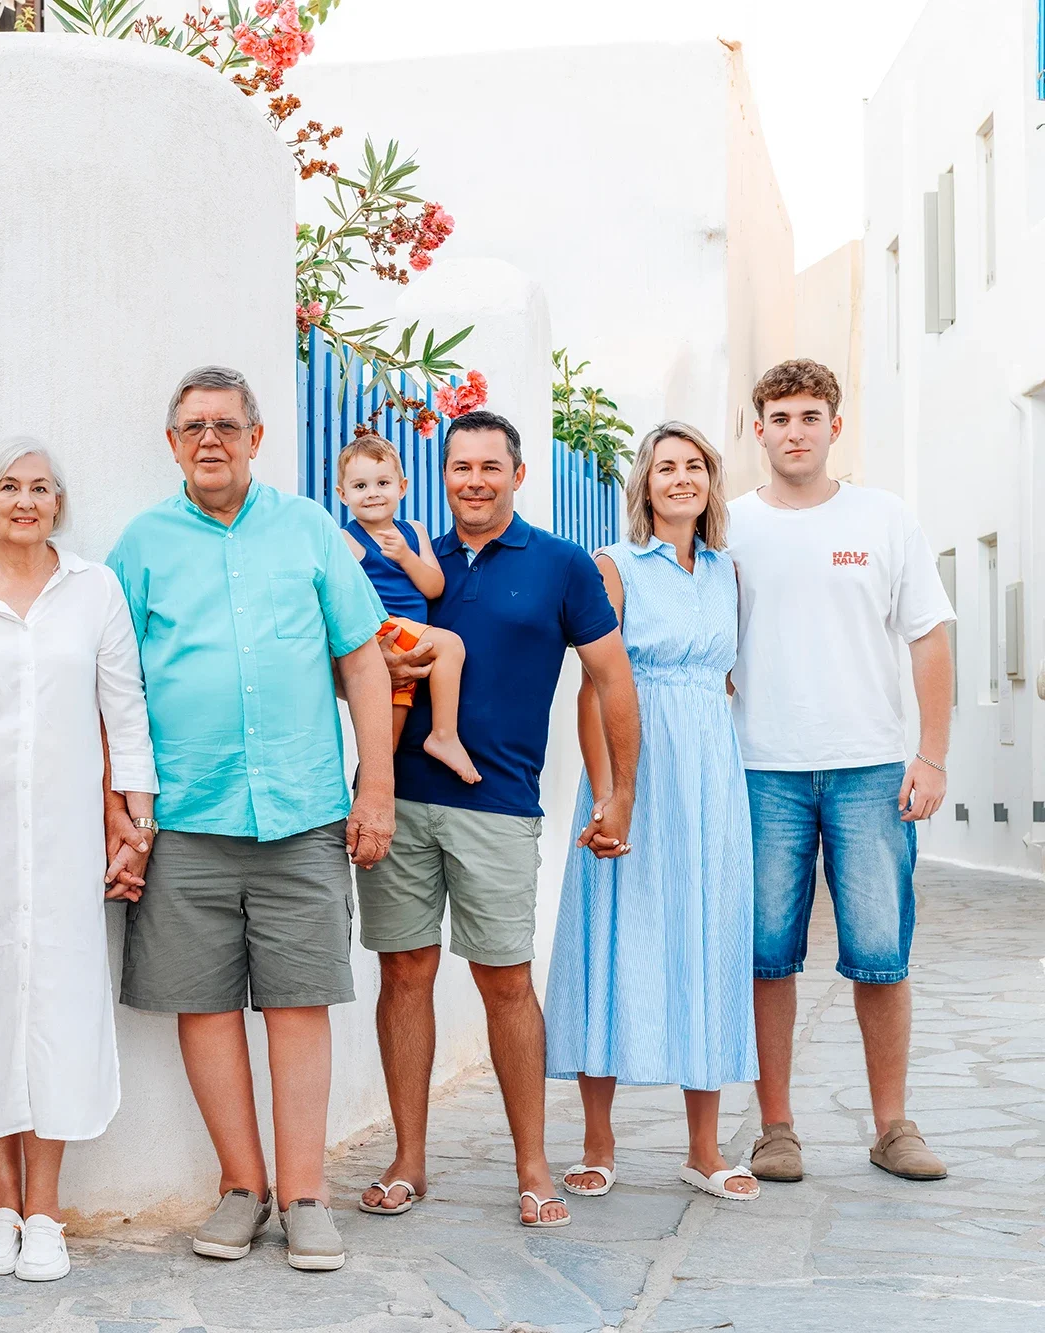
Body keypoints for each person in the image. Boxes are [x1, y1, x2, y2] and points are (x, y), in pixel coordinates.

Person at [107, 365, 398, 1273]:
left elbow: (363, 662)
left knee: (298, 1001)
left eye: (227, 425)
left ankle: (306, 1194)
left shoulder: (310, 530)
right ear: (172, 443)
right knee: (202, 1005)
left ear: (256, 438)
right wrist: (119, 808)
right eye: (193, 426)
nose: (210, 440)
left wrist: (376, 787)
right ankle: (244, 1186)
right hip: (186, 816)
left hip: (303, 810)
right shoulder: (141, 545)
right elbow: (113, 684)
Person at [363, 408, 640, 1230]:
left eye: (490, 466)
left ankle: (532, 1167)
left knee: (507, 981)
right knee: (403, 973)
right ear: (441, 475)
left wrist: (622, 790)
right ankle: (408, 1161)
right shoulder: (407, 559)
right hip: (400, 797)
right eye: (461, 467)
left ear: (518, 474)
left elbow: (612, 679)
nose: (474, 481)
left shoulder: (562, 564)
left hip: (500, 803)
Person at [0, 441, 158, 1283]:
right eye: (9, 487)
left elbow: (124, 707)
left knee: (58, 1004)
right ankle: (1, 1205)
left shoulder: (95, 589)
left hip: (64, 836)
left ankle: (46, 1209)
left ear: (58, 502)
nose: (25, 500)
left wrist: (137, 819)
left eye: (40, 487)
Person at [728, 359, 954, 1186]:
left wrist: (931, 754)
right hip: (762, 770)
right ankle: (776, 1128)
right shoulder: (730, 526)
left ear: (835, 426)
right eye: (780, 417)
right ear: (759, 428)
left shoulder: (884, 518)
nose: (795, 431)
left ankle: (893, 1127)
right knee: (766, 957)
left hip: (870, 771)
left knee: (881, 953)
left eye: (810, 416)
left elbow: (928, 637)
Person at [543, 423, 759, 1203]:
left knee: (708, 937)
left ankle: (703, 1148)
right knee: (612, 932)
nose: (680, 478)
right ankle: (597, 1143)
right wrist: (610, 793)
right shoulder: (614, 566)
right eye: (665, 466)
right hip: (633, 767)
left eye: (694, 465)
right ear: (645, 483)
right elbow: (594, 687)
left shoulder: (731, 572)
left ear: (710, 481)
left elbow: (728, 680)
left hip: (710, 775)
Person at [337, 435, 479, 783]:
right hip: (384, 631)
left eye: (383, 483)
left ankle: (364, 800)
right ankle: (443, 735)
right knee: (451, 645)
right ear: (343, 495)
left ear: (401, 487)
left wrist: (405, 555)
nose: (372, 493)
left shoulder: (414, 532)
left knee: (385, 747)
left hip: (409, 641)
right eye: (360, 486)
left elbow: (434, 586)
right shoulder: (346, 540)